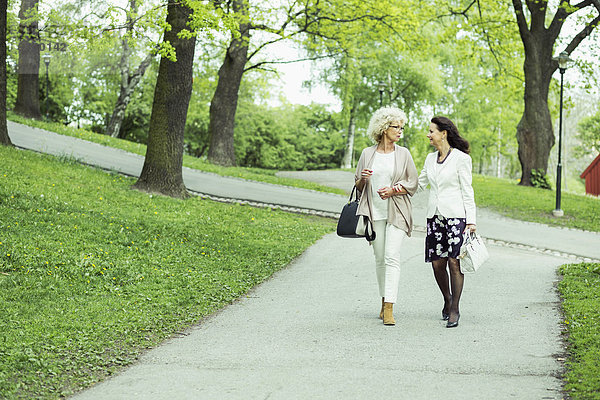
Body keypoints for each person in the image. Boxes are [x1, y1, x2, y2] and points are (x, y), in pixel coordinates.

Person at [354, 106, 418, 326]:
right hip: (375, 214)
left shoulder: (404, 154)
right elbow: (358, 187)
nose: (400, 131)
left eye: (402, 127)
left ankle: (390, 307)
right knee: (380, 259)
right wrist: (363, 179)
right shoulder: (367, 154)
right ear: (383, 128)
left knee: (392, 256)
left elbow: (413, 183)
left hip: (397, 212)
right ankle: (383, 302)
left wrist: (394, 189)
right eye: (396, 127)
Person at [417, 116, 476, 328]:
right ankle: (447, 298)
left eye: (432, 131)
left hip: (456, 217)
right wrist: (397, 188)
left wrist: (471, 221)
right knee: (437, 263)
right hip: (435, 217)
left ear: (444, 133)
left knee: (454, 261)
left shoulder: (461, 159)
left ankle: (455, 309)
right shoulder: (429, 159)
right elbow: (419, 184)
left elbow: (467, 190)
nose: (428, 134)